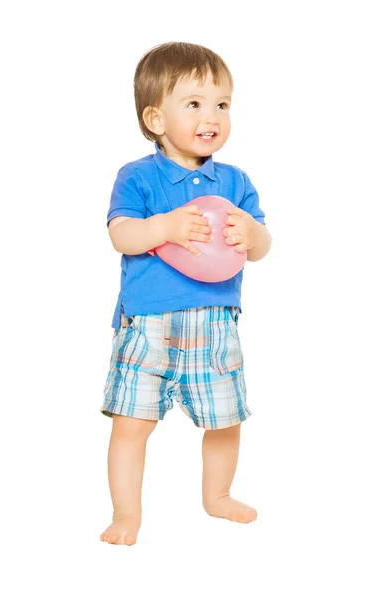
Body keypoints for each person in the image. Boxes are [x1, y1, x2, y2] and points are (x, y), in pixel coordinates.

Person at [100, 42, 272, 545]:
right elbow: (121, 236)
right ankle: (125, 514)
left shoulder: (235, 181)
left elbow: (261, 245)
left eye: (222, 103)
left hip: (215, 322)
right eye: (194, 103)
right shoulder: (138, 176)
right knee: (132, 425)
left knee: (225, 419)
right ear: (155, 118)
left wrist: (252, 237)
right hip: (149, 324)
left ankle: (216, 496)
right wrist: (166, 227)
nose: (212, 115)